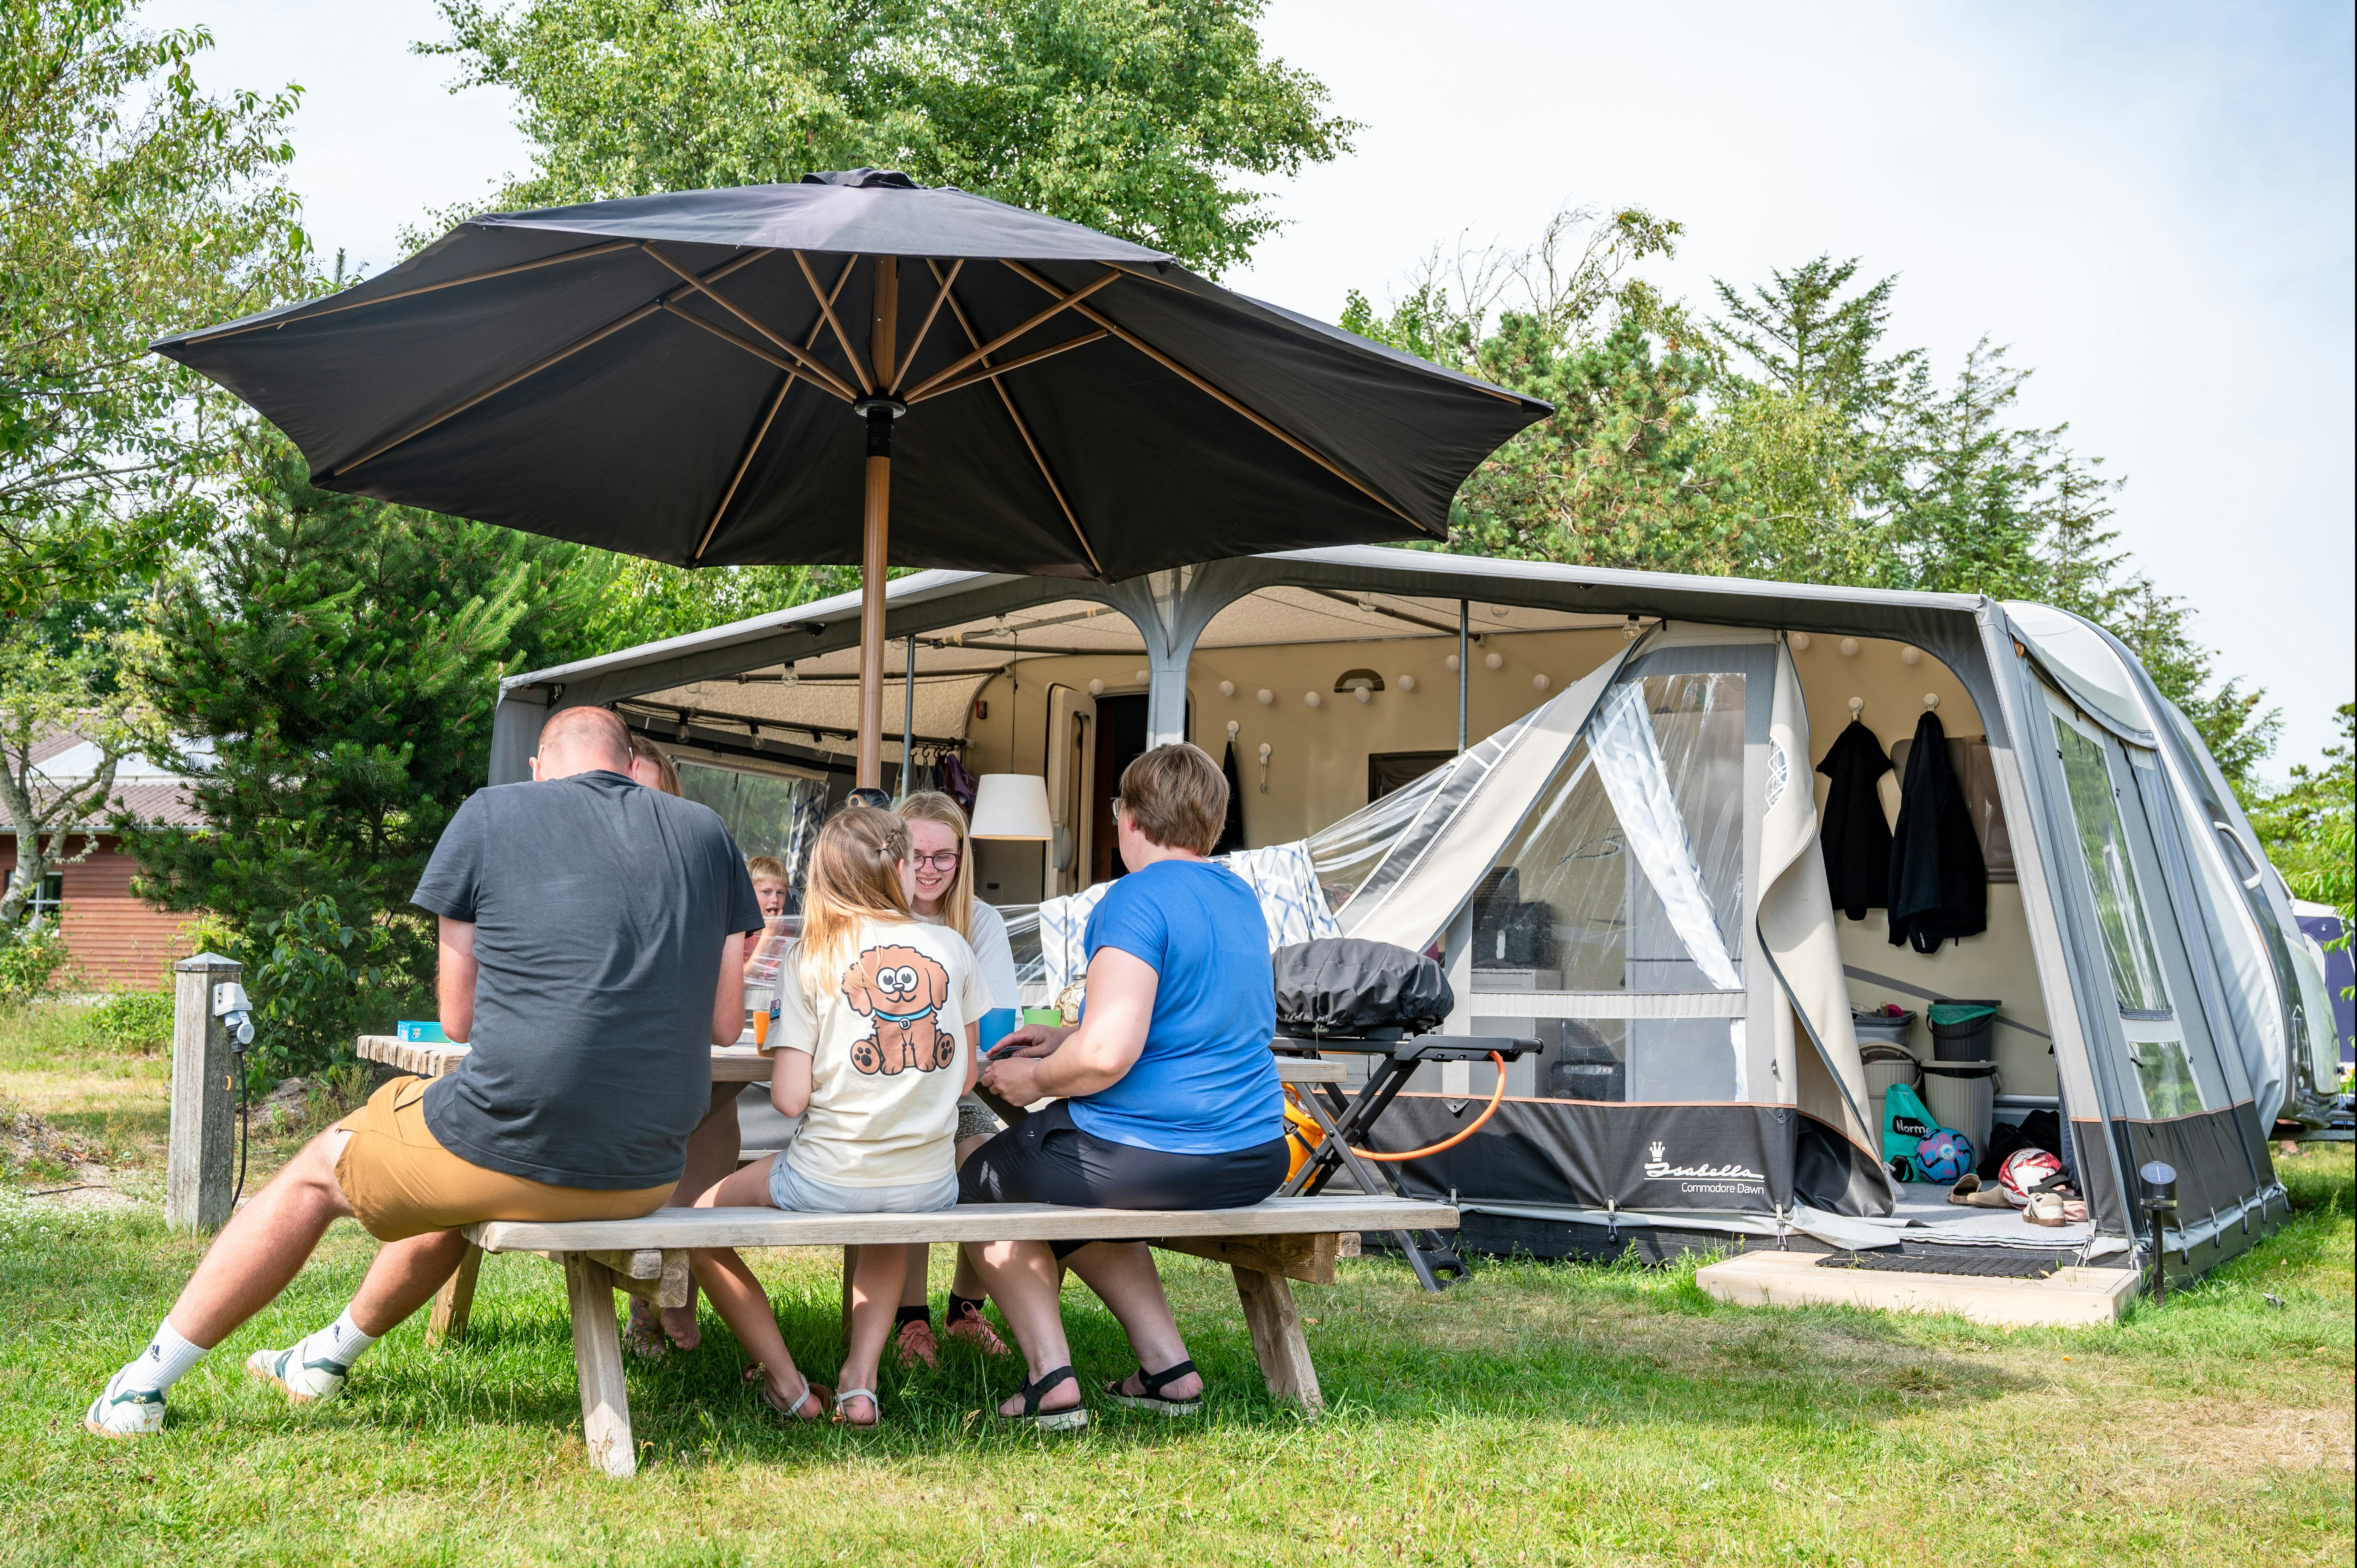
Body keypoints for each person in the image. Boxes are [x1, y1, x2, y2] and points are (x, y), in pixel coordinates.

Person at [84, 706, 762, 1437]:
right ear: (630, 767)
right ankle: (325, 1359)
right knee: (450, 1172)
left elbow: (458, 1020)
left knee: (320, 1169)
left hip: (520, 1143)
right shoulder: (707, 834)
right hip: (645, 1175)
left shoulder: (491, 813)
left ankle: (141, 1387)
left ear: (537, 769)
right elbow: (726, 1026)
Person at [961, 744, 1287, 1429]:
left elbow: (1109, 1055)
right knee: (1066, 1180)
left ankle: (1051, 1377)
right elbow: (1189, 1021)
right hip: (1256, 1153)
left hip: (1160, 1154)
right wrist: (1064, 1039)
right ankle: (1167, 1369)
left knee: (983, 1176)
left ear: (1131, 818)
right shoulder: (1239, 896)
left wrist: (1034, 1077)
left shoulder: (1134, 897)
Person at [686, 806, 985, 1427]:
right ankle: (860, 1383)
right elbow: (965, 1077)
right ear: (901, 867)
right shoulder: (953, 948)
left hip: (828, 1174)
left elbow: (790, 1100)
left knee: (698, 1224)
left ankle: (787, 1383)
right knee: (891, 1219)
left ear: (825, 877)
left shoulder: (812, 956)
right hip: (929, 1183)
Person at [886, 791, 1019, 1367]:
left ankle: (965, 1311)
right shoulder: (875, 913)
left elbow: (996, 1028)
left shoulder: (979, 920)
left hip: (960, 1092)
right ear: (894, 853)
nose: (929, 869)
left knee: (993, 1166)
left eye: (944, 856)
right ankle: (909, 1320)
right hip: (886, 1096)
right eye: (917, 855)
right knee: (910, 1163)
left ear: (963, 858)